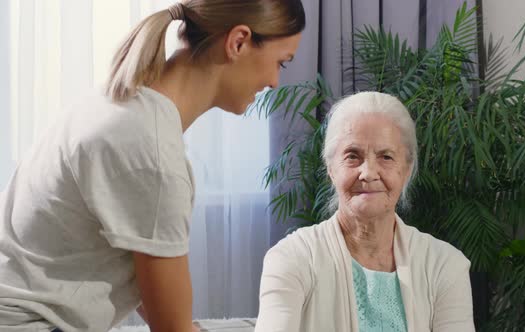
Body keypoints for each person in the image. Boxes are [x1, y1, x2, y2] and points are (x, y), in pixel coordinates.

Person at [0, 1, 304, 331]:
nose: (275, 82)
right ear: (239, 42)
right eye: (281, 63)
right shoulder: (152, 154)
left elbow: (147, 275)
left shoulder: (118, 104)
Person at [255, 92, 475, 332]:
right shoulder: (291, 258)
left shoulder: (445, 265)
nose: (369, 172)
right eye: (352, 156)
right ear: (331, 169)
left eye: (386, 157)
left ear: (407, 169)